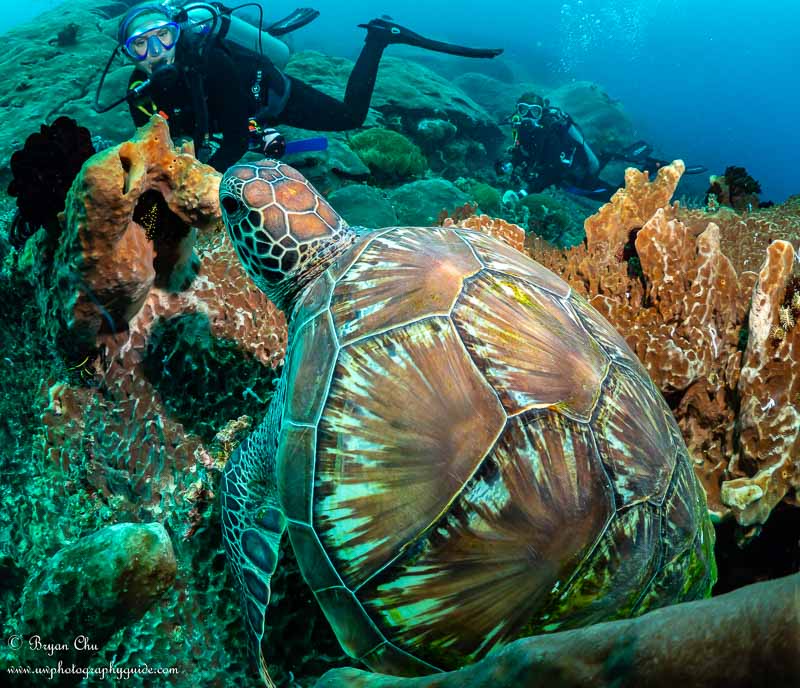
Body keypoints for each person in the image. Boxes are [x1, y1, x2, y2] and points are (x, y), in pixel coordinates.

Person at [113, 2, 503, 171]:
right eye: (140, 45)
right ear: (129, 54)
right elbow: (160, 145)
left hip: (268, 96)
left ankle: (380, 38)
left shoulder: (209, 61)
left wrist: (195, 181)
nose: (156, 52)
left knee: (351, 117)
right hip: (224, 121)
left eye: (162, 37)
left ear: (176, 33)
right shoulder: (140, 90)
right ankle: (277, 33)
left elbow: (231, 143)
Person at [498, 92, 602, 196]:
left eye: (535, 111)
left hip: (571, 171)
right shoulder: (520, 128)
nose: (529, 116)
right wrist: (509, 165)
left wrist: (525, 191)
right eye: (523, 110)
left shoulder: (550, 131)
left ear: (541, 113)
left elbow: (554, 170)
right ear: (517, 110)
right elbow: (524, 151)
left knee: (588, 183)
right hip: (543, 164)